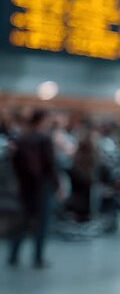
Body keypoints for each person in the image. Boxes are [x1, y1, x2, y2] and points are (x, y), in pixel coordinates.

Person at [8, 110, 59, 268]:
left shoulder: (22, 138)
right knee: (42, 222)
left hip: (26, 185)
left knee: (22, 220)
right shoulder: (44, 139)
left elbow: (14, 163)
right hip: (42, 185)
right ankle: (38, 257)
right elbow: (50, 165)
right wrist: (56, 184)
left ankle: (14, 254)